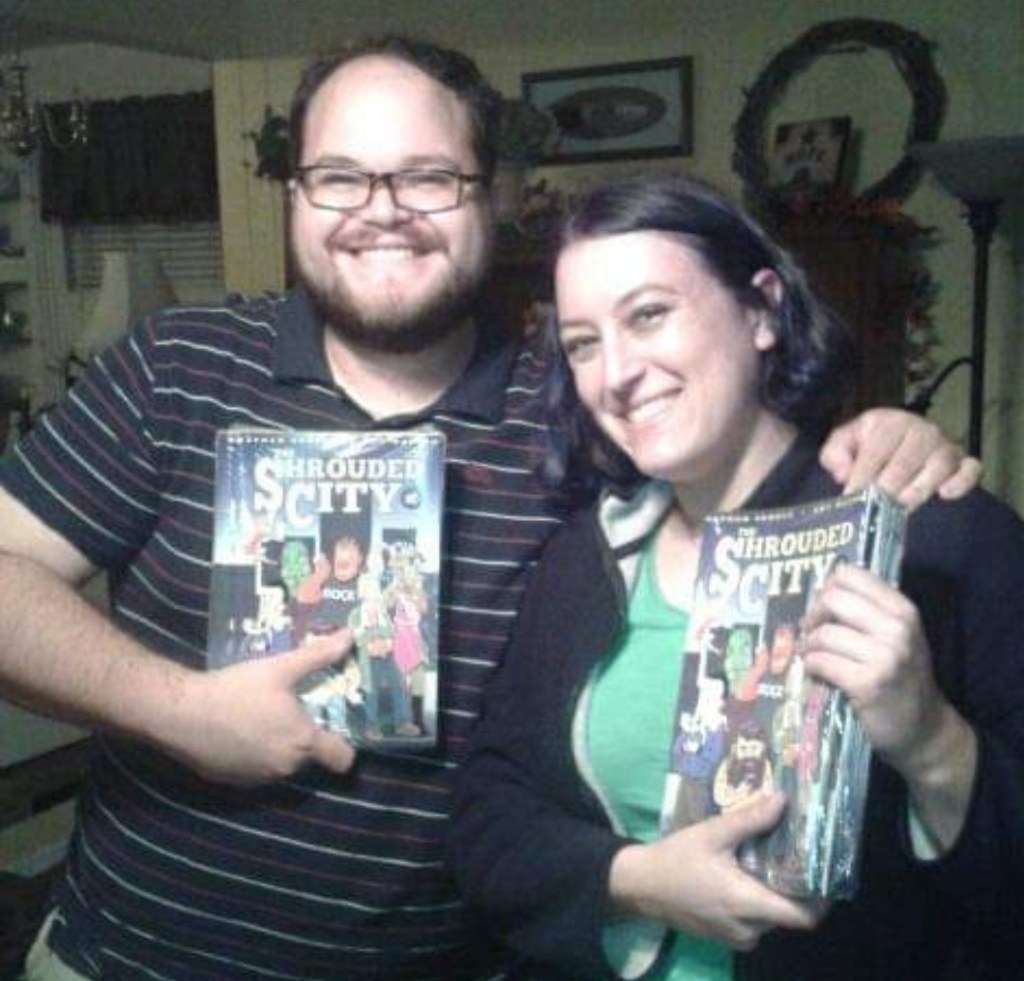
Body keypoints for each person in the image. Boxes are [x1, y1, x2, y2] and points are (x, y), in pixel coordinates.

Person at [0, 34, 978, 981]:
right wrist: (184, 713)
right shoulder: (179, 364)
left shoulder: (577, 408)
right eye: (339, 175)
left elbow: (734, 453)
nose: (381, 212)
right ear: (296, 194)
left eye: (428, 176)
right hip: (130, 955)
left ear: (491, 195)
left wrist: (887, 438)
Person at [449, 175, 1023, 981]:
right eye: (581, 342)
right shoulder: (583, 558)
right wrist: (636, 881)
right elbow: (486, 816)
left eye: (649, 314)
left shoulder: (940, 536)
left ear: (759, 309)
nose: (616, 372)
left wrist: (931, 743)